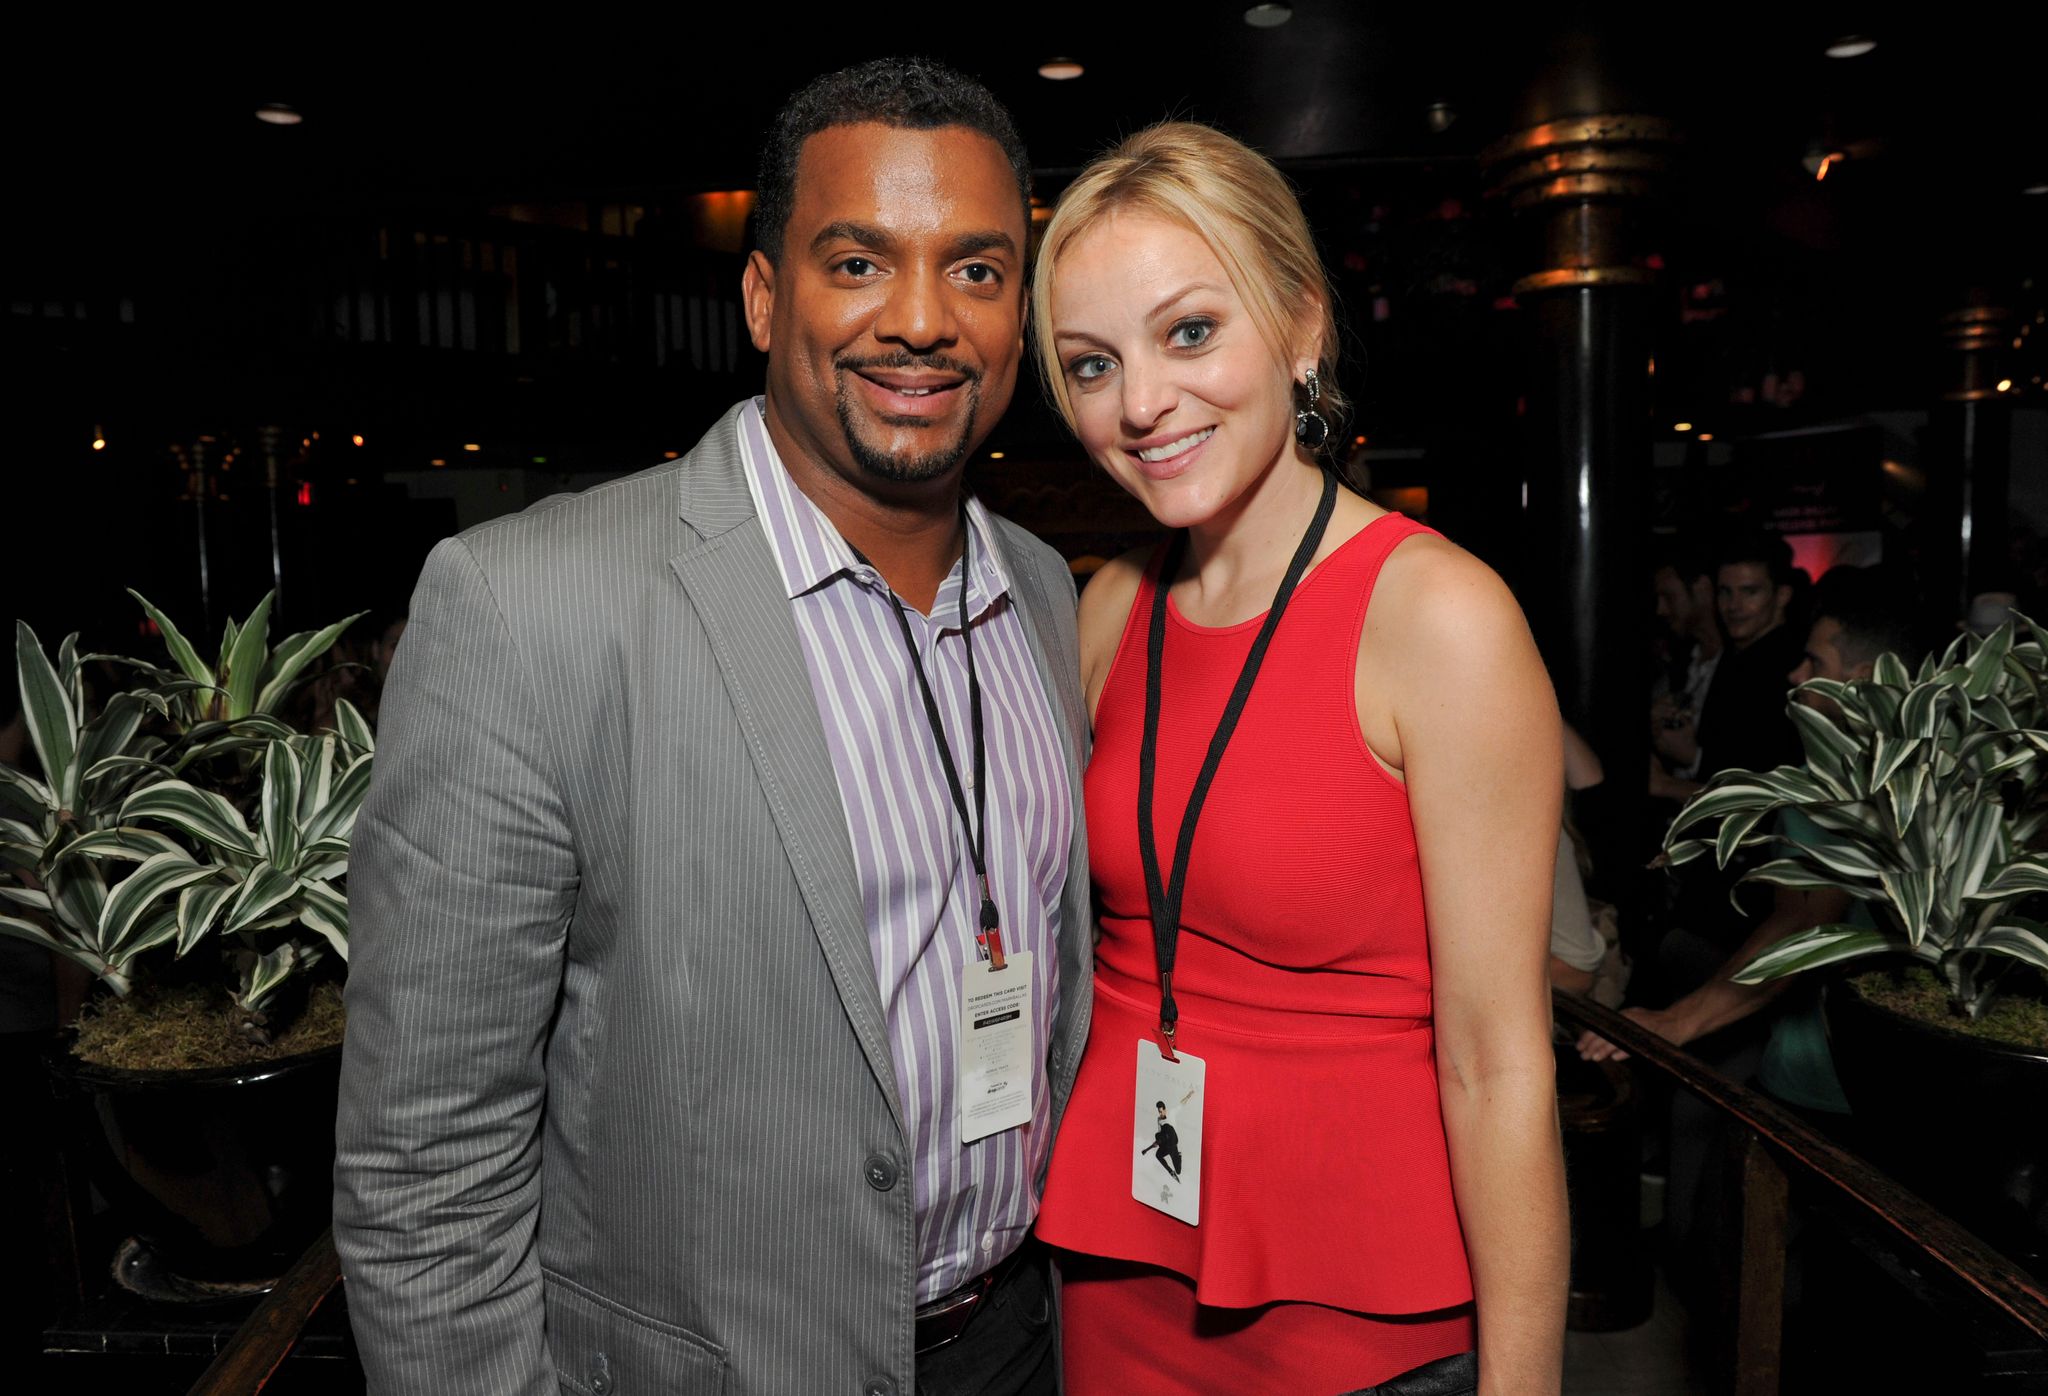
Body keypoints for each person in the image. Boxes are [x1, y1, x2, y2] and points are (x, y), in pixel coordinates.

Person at [333, 59, 1092, 1396]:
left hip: (1027, 1342)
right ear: (761, 294)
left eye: (976, 272)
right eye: (858, 262)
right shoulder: (527, 607)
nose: (922, 320)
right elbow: (428, 1157)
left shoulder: (1042, 590)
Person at [1028, 122, 1567, 1395]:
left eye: (1190, 332)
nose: (1141, 402)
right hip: (1120, 1276)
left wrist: (1526, 1379)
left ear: (1301, 326)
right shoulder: (1110, 604)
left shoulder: (1437, 618)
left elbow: (1497, 1059)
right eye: (1091, 363)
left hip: (1358, 1319)